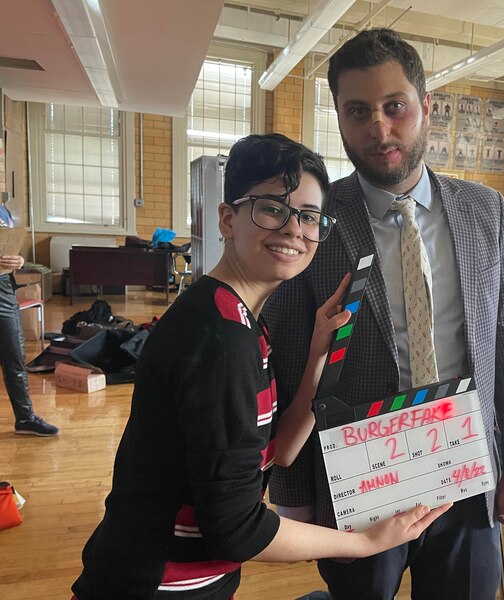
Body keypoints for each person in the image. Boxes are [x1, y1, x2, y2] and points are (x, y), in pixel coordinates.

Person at [71, 134, 450, 600]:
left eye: (309, 216)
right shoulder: (218, 339)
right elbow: (238, 530)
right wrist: (367, 542)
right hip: (154, 584)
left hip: (192, 579)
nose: (295, 230)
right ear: (228, 219)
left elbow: (282, 451)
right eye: (272, 207)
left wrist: (317, 356)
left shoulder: (239, 318)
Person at [264, 28, 504, 600]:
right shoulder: (315, 220)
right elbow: (294, 359)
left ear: (424, 104)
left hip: (468, 464)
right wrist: (291, 487)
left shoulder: (483, 210)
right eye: (358, 111)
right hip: (361, 470)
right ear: (340, 120)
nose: (380, 128)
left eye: (395, 107)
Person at [0, 198, 59, 437]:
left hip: (3, 287)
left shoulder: (3, 211)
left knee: (14, 356)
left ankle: (25, 418)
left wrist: (19, 261)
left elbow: (12, 249)